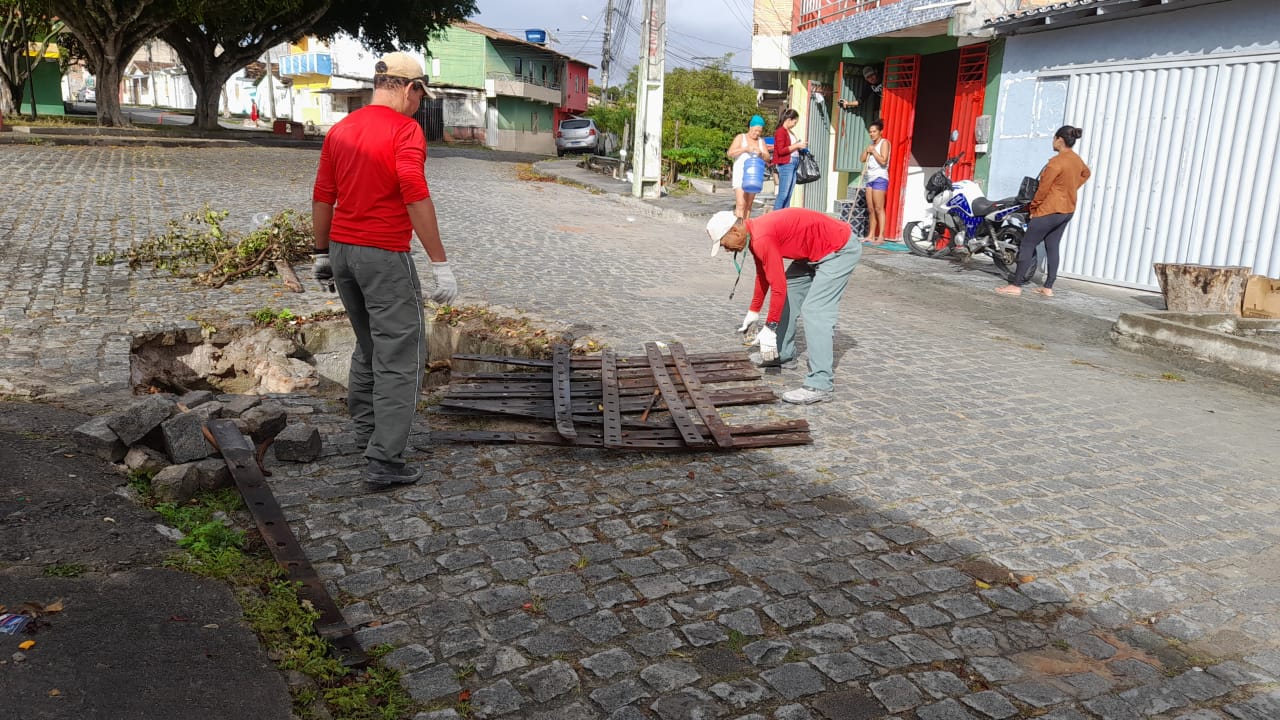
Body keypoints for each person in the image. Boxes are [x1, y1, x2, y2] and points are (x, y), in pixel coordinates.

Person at [311, 52, 459, 488]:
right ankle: (385, 459)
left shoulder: (342, 129)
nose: (419, 105)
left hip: (342, 250)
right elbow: (415, 194)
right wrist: (441, 264)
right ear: (410, 89)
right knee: (402, 354)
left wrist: (321, 253)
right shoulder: (405, 130)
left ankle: (366, 433)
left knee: (369, 343)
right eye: (420, 96)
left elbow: (323, 194)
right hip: (383, 255)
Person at [707, 207, 862, 405]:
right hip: (811, 253)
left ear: (735, 232)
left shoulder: (762, 237)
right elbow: (763, 276)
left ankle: (820, 384)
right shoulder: (753, 234)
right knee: (790, 291)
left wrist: (771, 326)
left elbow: (777, 285)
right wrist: (753, 311)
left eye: (723, 244)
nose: (726, 250)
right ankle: (784, 354)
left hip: (839, 250)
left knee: (815, 311)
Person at [996, 125, 1091, 298]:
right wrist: (1071, 187)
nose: (1052, 142)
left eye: (1053, 139)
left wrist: (1034, 207)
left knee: (1027, 244)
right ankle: (1048, 287)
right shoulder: (1076, 160)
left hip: (1049, 209)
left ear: (1059, 140)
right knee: (1053, 246)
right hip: (1067, 210)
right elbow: (1086, 173)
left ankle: (1016, 285)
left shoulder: (1056, 162)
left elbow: (1043, 189)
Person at [728, 114, 772, 219]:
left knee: (748, 205)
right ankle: (738, 228)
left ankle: (746, 229)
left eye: (759, 131)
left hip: (754, 176)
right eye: (755, 130)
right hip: (741, 174)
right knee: (740, 203)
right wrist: (745, 149)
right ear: (750, 127)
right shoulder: (740, 137)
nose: (757, 133)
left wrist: (761, 154)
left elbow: (768, 158)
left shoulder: (761, 141)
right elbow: (730, 153)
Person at [860, 120, 890, 244]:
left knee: (879, 208)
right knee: (871, 208)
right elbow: (862, 159)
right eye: (870, 132)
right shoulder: (871, 145)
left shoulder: (884, 143)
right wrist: (867, 150)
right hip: (869, 178)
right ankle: (871, 235)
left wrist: (874, 151)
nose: (872, 134)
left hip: (880, 177)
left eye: (874, 131)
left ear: (880, 132)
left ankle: (881, 236)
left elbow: (883, 161)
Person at [772, 109, 808, 211]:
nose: (794, 125)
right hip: (786, 163)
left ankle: (784, 217)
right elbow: (781, 150)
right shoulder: (780, 132)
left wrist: (800, 147)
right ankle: (775, 217)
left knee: (788, 194)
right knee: (783, 193)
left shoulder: (789, 132)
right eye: (794, 122)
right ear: (789, 119)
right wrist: (796, 145)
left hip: (793, 162)